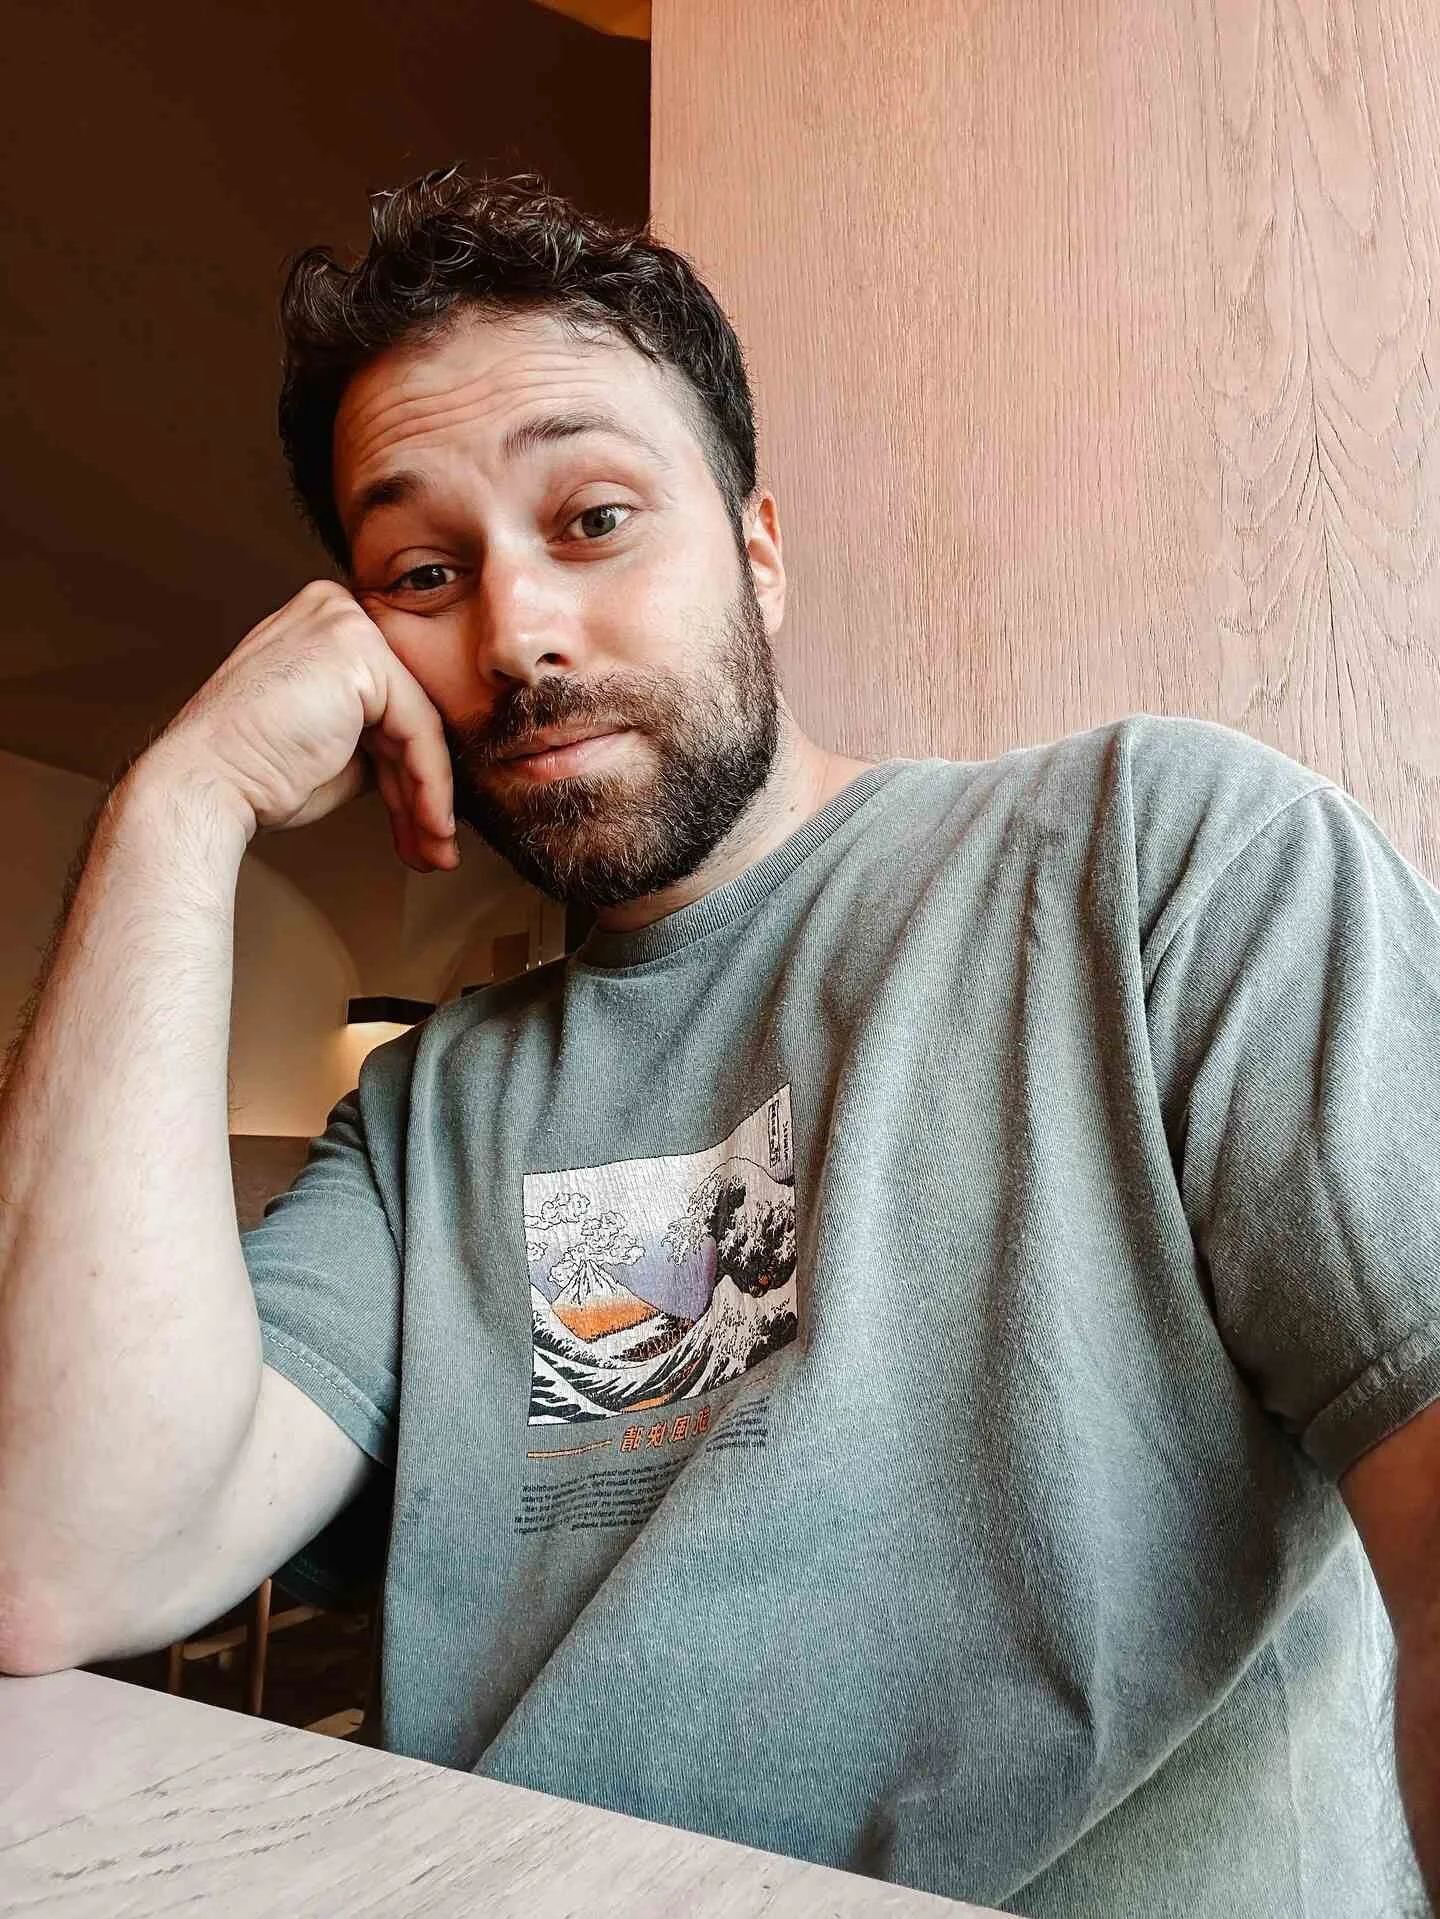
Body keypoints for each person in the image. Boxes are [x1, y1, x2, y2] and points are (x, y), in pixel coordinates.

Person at [0, 164, 1435, 1918]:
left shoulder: (1170, 862)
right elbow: (57, 1557)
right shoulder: (425, 1111)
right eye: (424, 571)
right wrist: (180, 804)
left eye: (592, 518)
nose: (517, 629)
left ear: (759, 550)